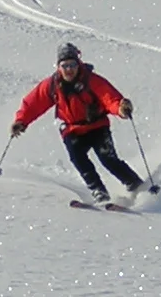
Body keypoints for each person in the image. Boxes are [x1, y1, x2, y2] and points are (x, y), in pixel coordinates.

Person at [10, 42, 144, 204]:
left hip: (97, 126)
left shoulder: (92, 80)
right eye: (64, 65)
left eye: (72, 65)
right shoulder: (52, 85)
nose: (69, 69)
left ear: (78, 63)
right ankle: (98, 190)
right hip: (72, 129)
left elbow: (109, 98)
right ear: (58, 66)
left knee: (108, 159)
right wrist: (21, 121)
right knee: (78, 158)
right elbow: (33, 103)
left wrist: (121, 109)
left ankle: (135, 185)